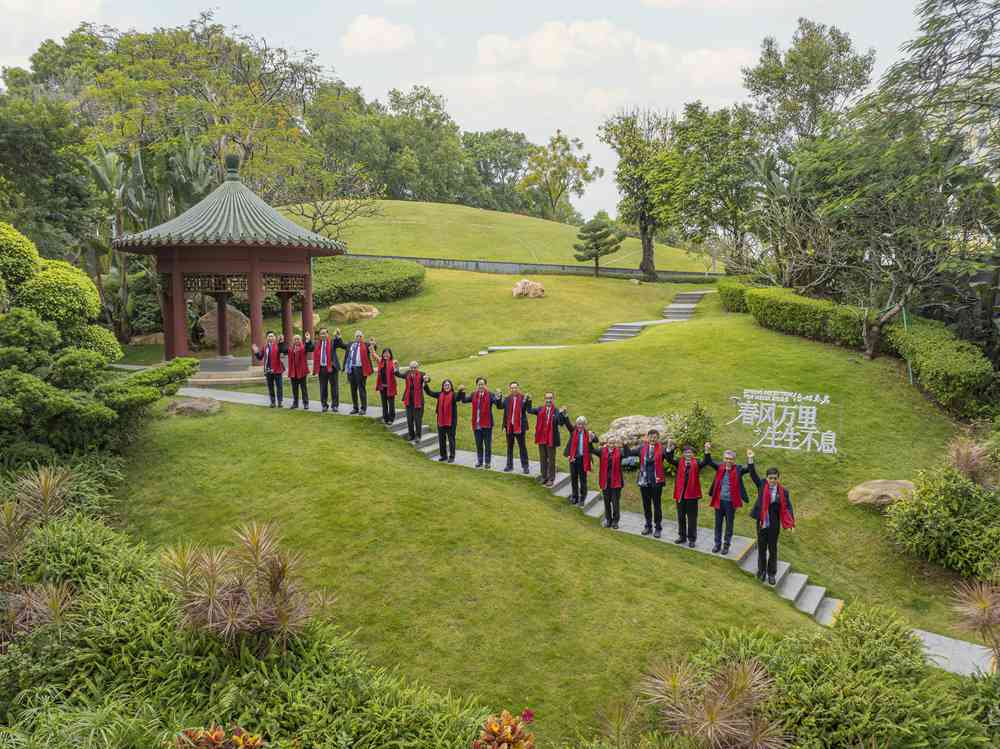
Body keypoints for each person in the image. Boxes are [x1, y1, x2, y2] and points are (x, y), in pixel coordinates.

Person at [747, 451, 796, 585]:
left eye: (775, 478)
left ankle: (771, 573)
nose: (772, 480)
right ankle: (761, 571)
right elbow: (753, 475)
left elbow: (788, 508)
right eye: (770, 478)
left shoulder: (783, 492)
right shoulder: (762, 485)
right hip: (762, 521)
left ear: (778, 478)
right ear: (767, 478)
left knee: (773, 548)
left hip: (774, 522)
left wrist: (791, 523)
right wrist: (751, 459)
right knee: (762, 547)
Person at [704, 448, 752, 555]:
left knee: (729, 525)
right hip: (719, 501)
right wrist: (707, 450)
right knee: (718, 524)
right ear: (723, 459)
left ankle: (726, 545)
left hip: (731, 503)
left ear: (734, 460)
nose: (728, 461)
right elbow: (709, 462)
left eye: (730, 459)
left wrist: (750, 458)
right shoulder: (720, 467)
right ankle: (717, 544)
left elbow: (749, 469)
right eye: (726, 458)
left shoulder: (738, 469)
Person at [666, 440, 711, 548]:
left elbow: (706, 461)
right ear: (683, 454)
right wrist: (669, 448)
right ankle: (682, 536)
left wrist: (707, 450)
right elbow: (669, 459)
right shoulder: (679, 462)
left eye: (690, 453)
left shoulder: (697, 463)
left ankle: (692, 539)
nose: (688, 454)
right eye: (686, 452)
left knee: (692, 518)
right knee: (681, 516)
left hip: (692, 495)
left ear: (693, 454)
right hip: (680, 494)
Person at [459, 377, 498, 468]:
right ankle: (480, 461)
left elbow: (497, 404)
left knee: (487, 445)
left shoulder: (490, 395)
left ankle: (487, 462)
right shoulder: (474, 394)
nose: (481, 386)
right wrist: (462, 392)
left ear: (485, 385)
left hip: (487, 424)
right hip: (476, 425)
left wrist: (498, 397)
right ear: (477, 385)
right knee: (479, 444)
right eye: (479, 384)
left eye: (482, 384)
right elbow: (464, 400)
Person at [635, 429, 668, 537]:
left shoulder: (662, 449)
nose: (653, 439)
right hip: (644, 481)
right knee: (646, 505)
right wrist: (625, 445)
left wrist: (671, 449)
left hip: (656, 482)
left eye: (655, 437)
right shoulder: (641, 447)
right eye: (651, 437)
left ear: (658, 438)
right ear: (647, 437)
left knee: (657, 505)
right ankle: (648, 526)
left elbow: (669, 457)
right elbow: (629, 453)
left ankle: (658, 527)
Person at [527, 392, 563, 487]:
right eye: (547, 398)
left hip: (551, 439)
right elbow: (529, 410)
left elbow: (560, 422)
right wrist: (529, 400)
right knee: (543, 458)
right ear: (544, 399)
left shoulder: (556, 411)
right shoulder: (540, 409)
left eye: (550, 398)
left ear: (553, 399)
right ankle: (544, 477)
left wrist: (561, 414)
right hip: (541, 438)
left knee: (551, 459)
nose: (548, 400)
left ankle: (551, 478)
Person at [496, 382, 532, 474]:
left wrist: (529, 400)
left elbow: (527, 409)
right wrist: (499, 397)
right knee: (509, 447)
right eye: (512, 388)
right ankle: (509, 465)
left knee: (522, 447)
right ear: (510, 389)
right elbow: (500, 407)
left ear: (518, 388)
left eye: (515, 388)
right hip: (510, 427)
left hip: (520, 427)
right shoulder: (507, 399)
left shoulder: (523, 398)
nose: (514, 389)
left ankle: (525, 467)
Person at [562, 415, 596, 505]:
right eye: (578, 424)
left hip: (583, 460)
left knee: (583, 480)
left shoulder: (588, 433)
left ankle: (582, 498)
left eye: (582, 424)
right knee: (573, 478)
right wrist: (565, 416)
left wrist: (592, 437)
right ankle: (575, 497)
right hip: (574, 459)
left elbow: (596, 439)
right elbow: (568, 425)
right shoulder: (574, 432)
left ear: (585, 425)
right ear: (576, 424)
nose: (580, 426)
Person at [424, 377, 460, 462]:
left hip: (451, 421)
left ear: (451, 386)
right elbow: (430, 393)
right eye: (445, 385)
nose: (446, 386)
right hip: (440, 420)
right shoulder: (440, 394)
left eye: (448, 385)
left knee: (451, 439)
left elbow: (458, 398)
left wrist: (461, 392)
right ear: (442, 386)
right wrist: (425, 385)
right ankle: (443, 456)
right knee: (441, 439)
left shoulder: (454, 395)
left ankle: (452, 456)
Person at [592, 437, 625, 528]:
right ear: (607, 443)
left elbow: (627, 453)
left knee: (615, 503)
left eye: (613, 443)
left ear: (615, 444)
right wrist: (590, 440)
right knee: (606, 503)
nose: (612, 445)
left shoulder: (620, 452)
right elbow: (591, 449)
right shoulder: (602, 451)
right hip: (605, 482)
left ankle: (615, 521)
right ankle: (608, 520)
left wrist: (624, 445)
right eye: (610, 443)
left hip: (616, 483)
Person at [312, 327, 346, 413]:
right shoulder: (317, 344)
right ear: (319, 335)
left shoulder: (332, 342)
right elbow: (309, 347)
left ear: (327, 334)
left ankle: (335, 406)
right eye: (321, 333)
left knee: (334, 387)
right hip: (322, 368)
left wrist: (338, 336)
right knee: (323, 388)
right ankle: (324, 405)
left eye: (324, 333)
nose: (323, 335)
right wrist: (308, 340)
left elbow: (341, 345)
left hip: (332, 368)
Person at [252, 331, 286, 408]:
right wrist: (256, 351)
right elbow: (260, 357)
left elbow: (283, 351)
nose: (270, 337)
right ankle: (273, 402)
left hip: (277, 370)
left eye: (272, 336)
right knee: (270, 387)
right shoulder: (265, 347)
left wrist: (281, 342)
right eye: (269, 336)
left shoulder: (278, 346)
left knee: (279, 386)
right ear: (266, 338)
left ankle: (280, 402)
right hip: (268, 370)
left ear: (275, 337)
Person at [342, 330, 373, 414]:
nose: (358, 337)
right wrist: (338, 338)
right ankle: (355, 408)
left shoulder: (366, 345)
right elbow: (341, 345)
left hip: (361, 369)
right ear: (354, 337)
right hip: (351, 369)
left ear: (362, 337)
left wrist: (372, 344)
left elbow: (373, 348)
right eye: (357, 336)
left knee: (361, 388)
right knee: (353, 389)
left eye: (360, 336)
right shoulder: (350, 344)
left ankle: (363, 408)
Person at [396, 361, 425, 441]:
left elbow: (427, 379)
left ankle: (418, 436)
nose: (413, 369)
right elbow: (399, 374)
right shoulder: (407, 373)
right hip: (409, 400)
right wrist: (397, 368)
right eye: (411, 367)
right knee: (409, 419)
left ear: (417, 368)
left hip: (418, 401)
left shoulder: (422, 374)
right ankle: (411, 435)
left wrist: (427, 379)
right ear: (409, 368)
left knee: (417, 420)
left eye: (415, 367)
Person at [286, 333, 311, 410]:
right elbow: (282, 349)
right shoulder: (290, 349)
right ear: (293, 341)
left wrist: (307, 340)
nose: (296, 340)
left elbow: (309, 347)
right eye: (295, 339)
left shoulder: (303, 348)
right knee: (294, 389)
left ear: (300, 340)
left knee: (304, 389)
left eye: (298, 339)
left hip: (302, 372)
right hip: (293, 372)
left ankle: (305, 403)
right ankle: (295, 403)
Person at [375, 347, 398, 425]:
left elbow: (396, 370)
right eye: (384, 353)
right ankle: (385, 418)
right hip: (382, 387)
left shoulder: (393, 362)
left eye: (387, 353)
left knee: (391, 404)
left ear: (390, 354)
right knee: (384, 403)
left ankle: (391, 418)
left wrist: (396, 366)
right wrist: (371, 347)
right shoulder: (381, 362)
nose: (386, 355)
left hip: (390, 387)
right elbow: (374, 355)